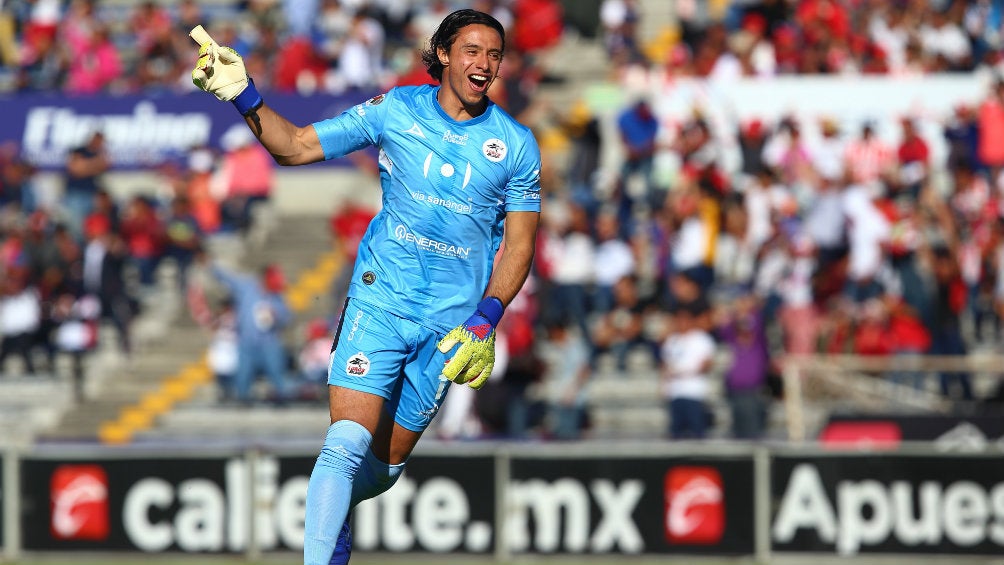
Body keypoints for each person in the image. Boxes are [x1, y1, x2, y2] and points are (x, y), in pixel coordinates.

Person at [190, 8, 541, 565]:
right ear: (444, 54)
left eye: (495, 55)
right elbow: (297, 146)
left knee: (382, 470)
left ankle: (335, 519)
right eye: (473, 50)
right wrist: (245, 96)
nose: (485, 64)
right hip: (380, 301)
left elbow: (519, 245)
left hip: (452, 326)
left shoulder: (517, 145)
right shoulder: (396, 108)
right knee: (344, 444)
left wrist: (487, 317)